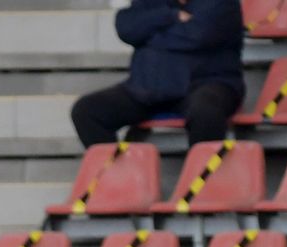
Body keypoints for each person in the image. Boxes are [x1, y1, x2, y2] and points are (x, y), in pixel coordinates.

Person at [69, 0, 243, 149]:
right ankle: (122, 180)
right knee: (87, 111)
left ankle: (201, 181)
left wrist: (149, 37)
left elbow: (199, 36)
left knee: (206, 111)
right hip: (149, 87)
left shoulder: (223, 3)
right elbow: (126, 26)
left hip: (206, 82)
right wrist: (171, 16)